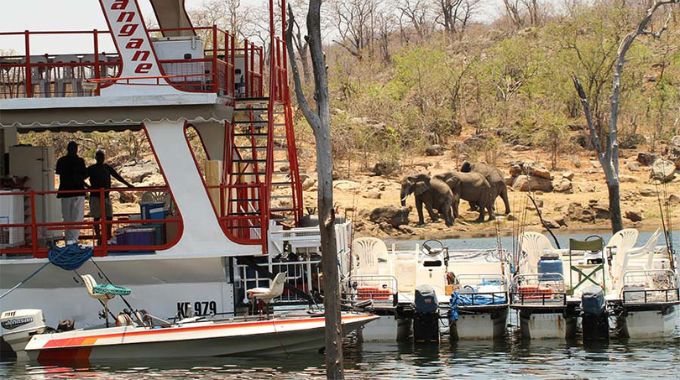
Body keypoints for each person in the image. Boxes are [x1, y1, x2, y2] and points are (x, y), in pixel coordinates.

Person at [87, 150, 134, 244]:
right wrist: (89, 187)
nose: (101, 158)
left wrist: (128, 184)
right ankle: (99, 237)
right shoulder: (91, 168)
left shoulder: (106, 167)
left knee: (109, 216)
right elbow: (81, 178)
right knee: (97, 217)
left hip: (106, 196)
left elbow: (117, 176)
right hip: (95, 196)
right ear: (96, 158)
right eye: (99, 157)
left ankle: (107, 235)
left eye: (102, 157)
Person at [55, 141, 87, 244]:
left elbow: (60, 174)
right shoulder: (79, 161)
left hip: (65, 192)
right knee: (76, 218)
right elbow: (82, 176)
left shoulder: (61, 161)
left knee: (68, 218)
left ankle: (70, 241)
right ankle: (72, 241)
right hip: (77, 191)